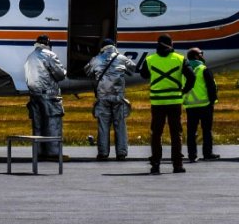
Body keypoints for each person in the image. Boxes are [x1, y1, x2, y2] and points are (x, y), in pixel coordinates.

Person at [140, 34, 195, 174]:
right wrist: (184, 91)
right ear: (171, 44)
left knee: (156, 133)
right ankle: (177, 165)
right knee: (176, 134)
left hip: (157, 102)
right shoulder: (180, 59)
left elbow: (144, 75)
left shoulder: (150, 59)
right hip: (175, 101)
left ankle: (156, 164)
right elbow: (191, 76)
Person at [83, 38, 136, 161]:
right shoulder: (122, 58)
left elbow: (87, 71)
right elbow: (132, 69)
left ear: (102, 47)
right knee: (120, 125)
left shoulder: (96, 59)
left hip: (103, 97)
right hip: (118, 97)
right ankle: (121, 153)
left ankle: (103, 153)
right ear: (113, 46)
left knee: (103, 126)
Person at [23, 34, 67, 159]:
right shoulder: (49, 55)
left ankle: (39, 153)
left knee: (37, 125)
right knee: (53, 123)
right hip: (49, 94)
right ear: (48, 43)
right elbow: (60, 75)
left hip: (34, 95)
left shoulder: (30, 57)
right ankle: (53, 153)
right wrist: (65, 71)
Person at [184, 47, 219, 161]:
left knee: (191, 132)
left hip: (190, 105)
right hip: (205, 105)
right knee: (206, 130)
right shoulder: (203, 69)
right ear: (196, 56)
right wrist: (213, 100)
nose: (203, 55)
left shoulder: (184, 70)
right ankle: (207, 153)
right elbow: (211, 87)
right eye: (201, 53)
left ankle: (192, 154)